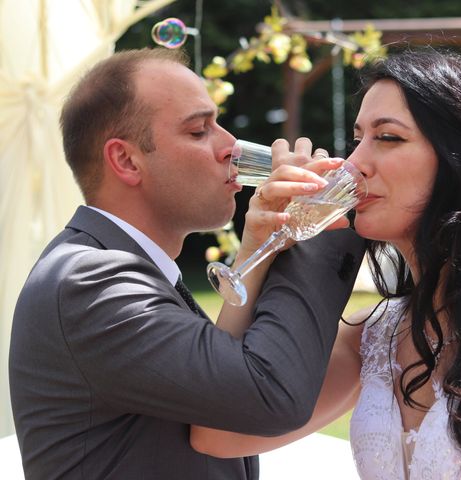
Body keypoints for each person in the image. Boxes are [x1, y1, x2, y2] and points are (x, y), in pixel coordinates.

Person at [190, 49, 461, 479]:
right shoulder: (376, 335)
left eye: (387, 138)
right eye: (358, 139)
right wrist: (256, 252)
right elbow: (219, 432)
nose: (354, 163)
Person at [8, 47, 365, 479]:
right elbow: (267, 392)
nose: (231, 146)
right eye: (199, 131)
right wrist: (316, 216)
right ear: (126, 160)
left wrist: (263, 244)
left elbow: (225, 386)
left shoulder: (123, 269)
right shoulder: (90, 281)